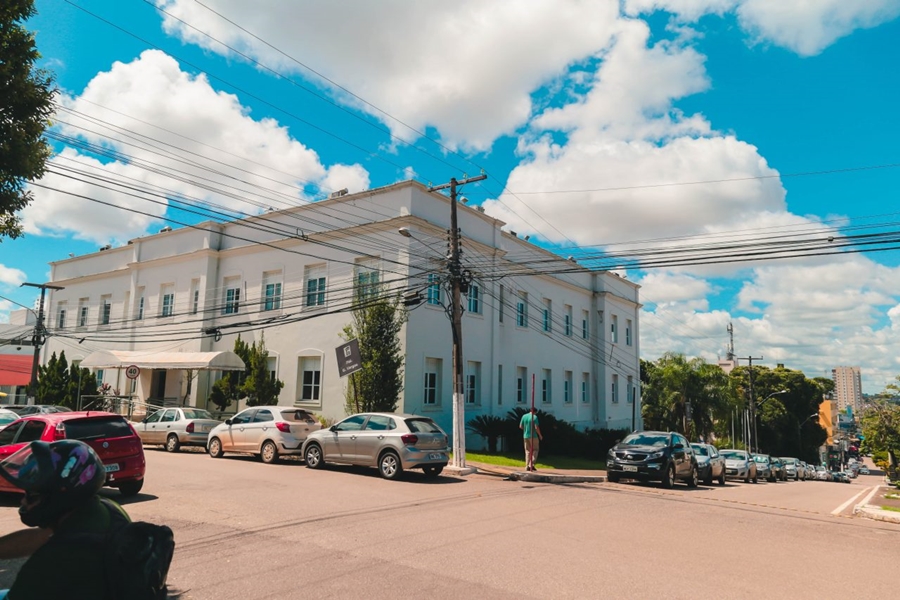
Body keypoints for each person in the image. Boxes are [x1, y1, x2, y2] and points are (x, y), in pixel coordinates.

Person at [0, 439, 131, 600]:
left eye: (32, 496)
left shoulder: (53, 561)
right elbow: (41, 536)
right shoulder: (108, 509)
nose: (23, 502)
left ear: (60, 496)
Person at [519, 407, 543, 471]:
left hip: (525, 436)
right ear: (535, 412)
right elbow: (536, 427)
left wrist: (526, 430)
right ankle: (531, 464)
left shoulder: (524, 416)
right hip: (533, 436)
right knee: (535, 450)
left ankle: (527, 465)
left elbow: (521, 426)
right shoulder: (534, 417)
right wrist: (540, 435)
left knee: (527, 451)